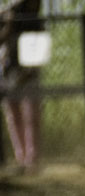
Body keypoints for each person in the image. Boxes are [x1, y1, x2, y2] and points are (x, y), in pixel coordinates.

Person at [0, 0, 43, 174]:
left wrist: (29, 71)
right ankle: (21, 157)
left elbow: (40, 47)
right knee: (14, 115)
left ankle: (32, 158)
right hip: (9, 71)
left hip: (29, 73)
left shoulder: (35, 21)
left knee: (32, 116)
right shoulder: (9, 15)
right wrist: (9, 25)